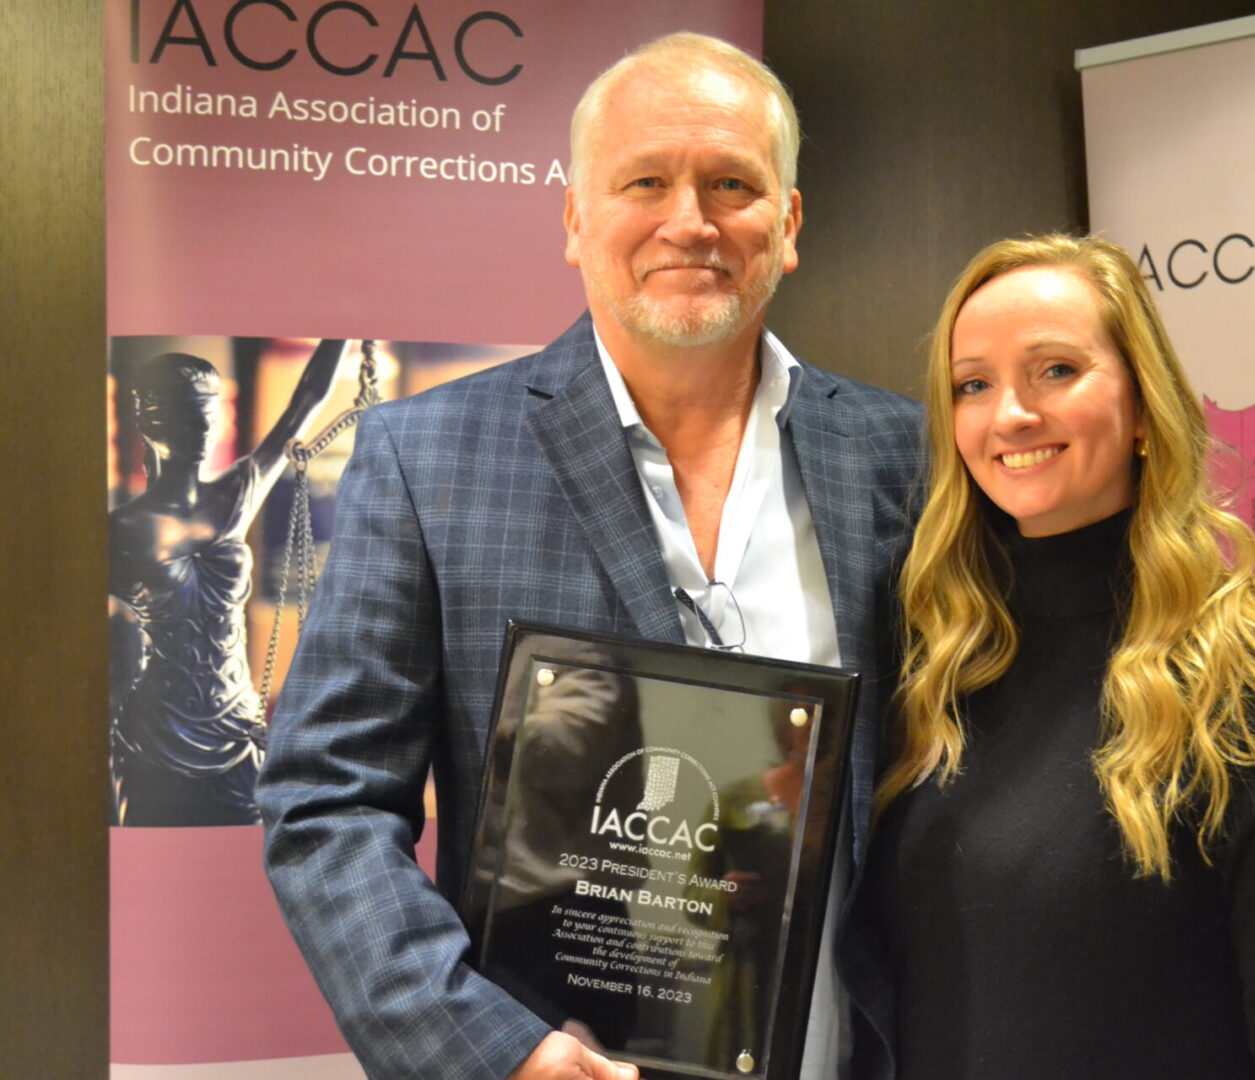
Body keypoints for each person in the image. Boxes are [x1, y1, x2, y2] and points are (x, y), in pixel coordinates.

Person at [257, 34, 921, 1080]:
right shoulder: (425, 460)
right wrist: (493, 1053)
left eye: (733, 184)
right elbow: (324, 802)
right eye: (645, 180)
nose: (689, 221)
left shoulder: (902, 456)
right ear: (574, 218)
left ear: (788, 225)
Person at [842, 235, 1255, 1079]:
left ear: (1141, 406)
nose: (1011, 414)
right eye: (973, 385)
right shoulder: (934, 661)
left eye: (1055, 370)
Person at [109, 339, 346, 826]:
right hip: (158, 732)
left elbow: (308, 399)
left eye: (207, 412)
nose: (202, 426)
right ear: (153, 424)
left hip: (237, 729)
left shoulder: (238, 494)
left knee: (243, 852)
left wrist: (347, 328)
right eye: (186, 413)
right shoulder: (119, 530)